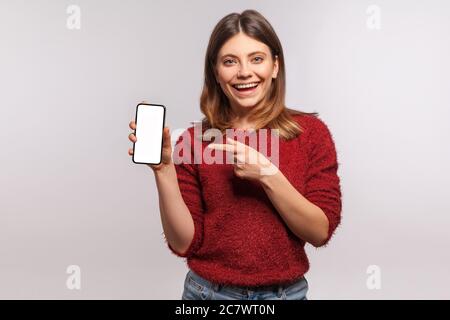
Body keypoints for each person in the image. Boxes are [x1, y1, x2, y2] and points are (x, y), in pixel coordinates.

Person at [127, 9, 342, 300]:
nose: (244, 72)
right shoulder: (194, 141)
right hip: (208, 294)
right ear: (216, 72)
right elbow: (183, 244)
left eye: (257, 58)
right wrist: (164, 171)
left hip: (284, 295)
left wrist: (268, 175)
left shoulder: (310, 133)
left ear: (275, 66)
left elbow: (319, 232)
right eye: (230, 61)